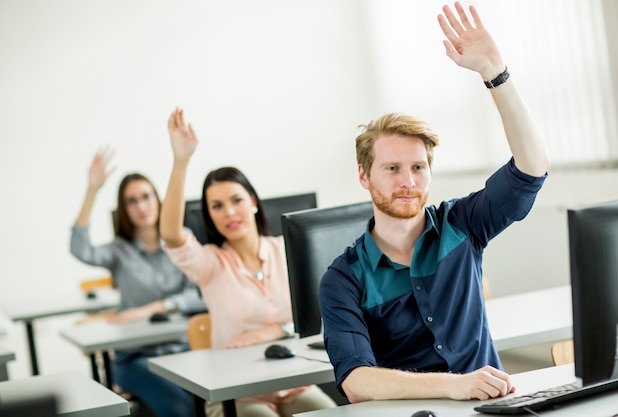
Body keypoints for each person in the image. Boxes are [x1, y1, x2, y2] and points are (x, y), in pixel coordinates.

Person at [319, 2, 550, 404]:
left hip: (491, 409)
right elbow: (356, 382)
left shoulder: (462, 224)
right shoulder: (343, 278)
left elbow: (531, 169)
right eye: (391, 168)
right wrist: (454, 385)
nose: (408, 182)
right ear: (363, 176)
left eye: (418, 167)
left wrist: (495, 73)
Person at [159, 108, 337, 417]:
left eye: (236, 200)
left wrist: (275, 330)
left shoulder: (287, 251)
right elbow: (171, 234)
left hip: (293, 384)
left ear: (253, 202)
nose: (228, 212)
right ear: (209, 215)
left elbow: (318, 318)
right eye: (217, 206)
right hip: (236, 395)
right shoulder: (210, 263)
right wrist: (181, 160)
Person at [70, 147, 207, 417]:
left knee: (216, 402)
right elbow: (79, 248)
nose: (141, 206)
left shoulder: (181, 240)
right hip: (136, 358)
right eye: (132, 201)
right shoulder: (119, 251)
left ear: (158, 199)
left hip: (184, 349)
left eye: (146, 197)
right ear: (124, 209)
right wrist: (92, 189)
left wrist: (158, 307)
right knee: (184, 410)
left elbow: (202, 293)